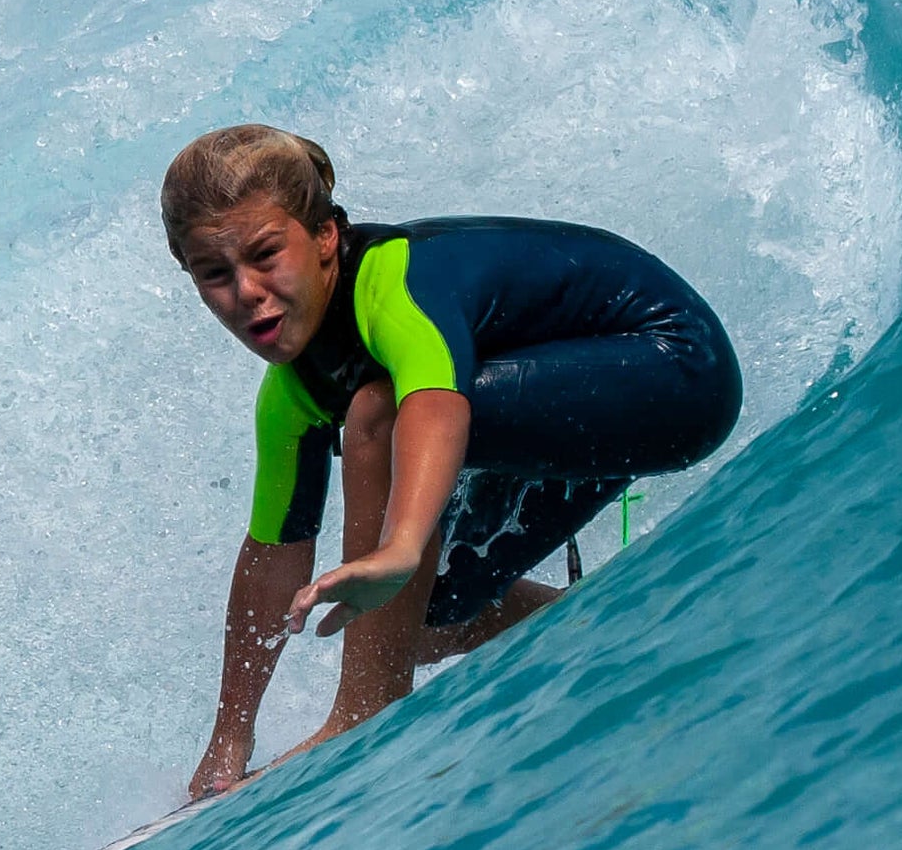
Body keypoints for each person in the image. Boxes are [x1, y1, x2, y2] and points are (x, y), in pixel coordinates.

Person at [165, 125, 742, 800]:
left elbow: (435, 406)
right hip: (562, 406)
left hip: (672, 367)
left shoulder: (392, 283)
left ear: (325, 236)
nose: (247, 292)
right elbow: (273, 554)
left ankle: (361, 713)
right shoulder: (289, 394)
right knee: (420, 613)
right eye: (215, 274)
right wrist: (229, 740)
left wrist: (401, 547)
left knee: (375, 413)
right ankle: (601, 627)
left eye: (265, 255)